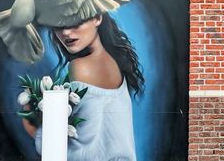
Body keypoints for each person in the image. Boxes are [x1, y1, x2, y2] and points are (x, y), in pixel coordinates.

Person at [21, 13, 143, 160]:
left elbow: (60, 150)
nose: (65, 32)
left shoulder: (80, 67)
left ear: (97, 18)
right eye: (58, 24)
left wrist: (31, 124)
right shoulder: (113, 62)